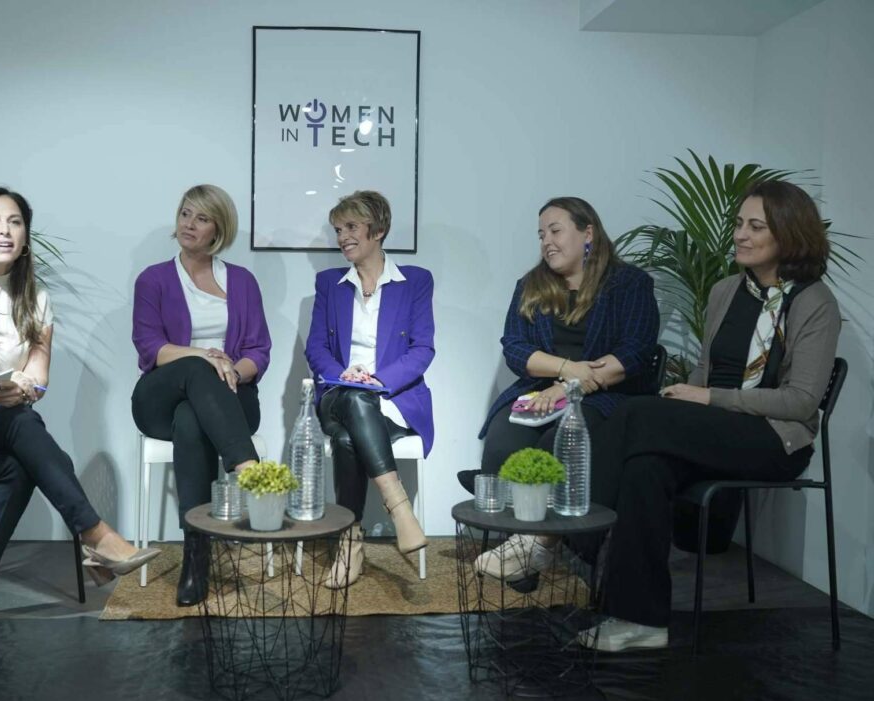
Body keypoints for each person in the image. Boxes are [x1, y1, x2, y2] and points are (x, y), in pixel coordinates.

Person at [582, 180, 841, 652]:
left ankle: (554, 541)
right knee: (645, 467)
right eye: (739, 223)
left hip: (772, 442)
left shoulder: (814, 303)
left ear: (789, 234)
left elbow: (801, 403)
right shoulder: (726, 291)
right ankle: (641, 621)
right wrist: (694, 396)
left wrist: (708, 400)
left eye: (755, 226)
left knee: (636, 415)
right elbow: (704, 372)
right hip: (718, 432)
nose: (740, 234)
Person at [0, 187, 158, 640]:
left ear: (25, 235)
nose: (5, 230)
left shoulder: (35, 298)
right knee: (15, 423)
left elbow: (37, 375)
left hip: (0, 421)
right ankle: (96, 536)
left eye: (15, 221)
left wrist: (24, 388)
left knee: (18, 457)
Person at [471, 197, 659, 580]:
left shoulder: (629, 284)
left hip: (608, 395)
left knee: (556, 446)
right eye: (541, 235)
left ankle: (538, 547)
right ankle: (519, 550)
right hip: (540, 389)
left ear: (587, 233)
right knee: (502, 443)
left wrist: (570, 386)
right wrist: (566, 370)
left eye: (555, 231)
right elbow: (516, 348)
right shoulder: (531, 285)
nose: (547, 242)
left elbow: (636, 351)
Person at [131, 184, 270, 606]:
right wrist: (207, 357)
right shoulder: (153, 279)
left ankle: (196, 556)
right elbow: (150, 346)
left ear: (218, 229)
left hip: (230, 396)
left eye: (201, 218)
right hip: (161, 396)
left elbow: (259, 352)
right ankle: (251, 472)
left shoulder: (242, 282)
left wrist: (231, 369)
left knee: (192, 420)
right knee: (193, 368)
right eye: (185, 214)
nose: (189, 224)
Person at [304, 190, 434, 589]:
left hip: (393, 399)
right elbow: (316, 348)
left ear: (378, 231)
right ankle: (400, 511)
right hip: (338, 394)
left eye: (352, 228)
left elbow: (422, 348)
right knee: (355, 401)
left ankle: (349, 542)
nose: (342, 236)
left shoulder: (414, 281)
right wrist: (346, 373)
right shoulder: (330, 283)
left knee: (346, 442)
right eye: (339, 229)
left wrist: (381, 380)